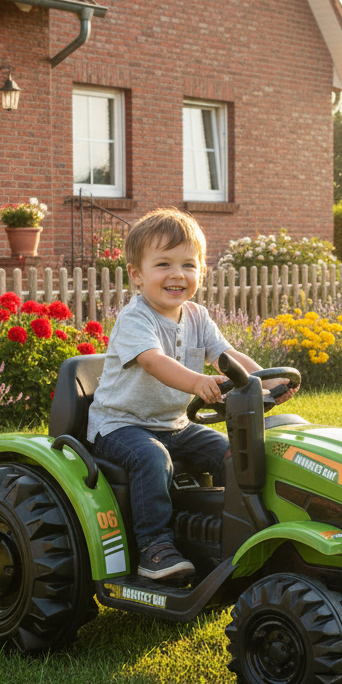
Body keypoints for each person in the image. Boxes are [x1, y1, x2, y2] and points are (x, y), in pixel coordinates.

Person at [87, 208, 294, 582]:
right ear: (137, 274)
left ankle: (240, 531)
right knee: (152, 458)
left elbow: (227, 357)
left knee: (233, 454)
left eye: (188, 265)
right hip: (121, 425)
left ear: (201, 271)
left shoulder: (198, 316)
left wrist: (263, 381)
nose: (177, 275)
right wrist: (198, 383)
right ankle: (154, 547)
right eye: (163, 264)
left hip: (175, 423)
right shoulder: (136, 319)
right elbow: (153, 362)